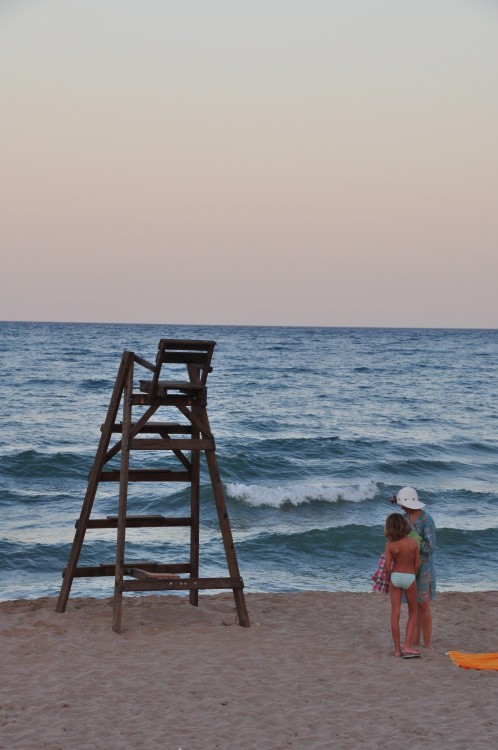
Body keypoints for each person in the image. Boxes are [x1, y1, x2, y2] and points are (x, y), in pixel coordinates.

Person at [394, 486, 436, 649]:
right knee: (414, 606)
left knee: (423, 606)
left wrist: (413, 543)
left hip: (424, 568)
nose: (400, 507)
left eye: (402, 503)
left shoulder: (427, 520)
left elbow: (430, 547)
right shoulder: (403, 519)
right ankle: (416, 642)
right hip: (409, 566)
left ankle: (428, 644)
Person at [384, 513, 421, 658]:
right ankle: (407, 646)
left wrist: (389, 579)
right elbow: (417, 563)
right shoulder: (413, 543)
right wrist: (413, 573)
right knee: (413, 612)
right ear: (404, 526)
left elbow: (387, 566)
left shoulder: (389, 545)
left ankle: (397, 650)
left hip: (395, 577)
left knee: (395, 613)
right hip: (410, 577)